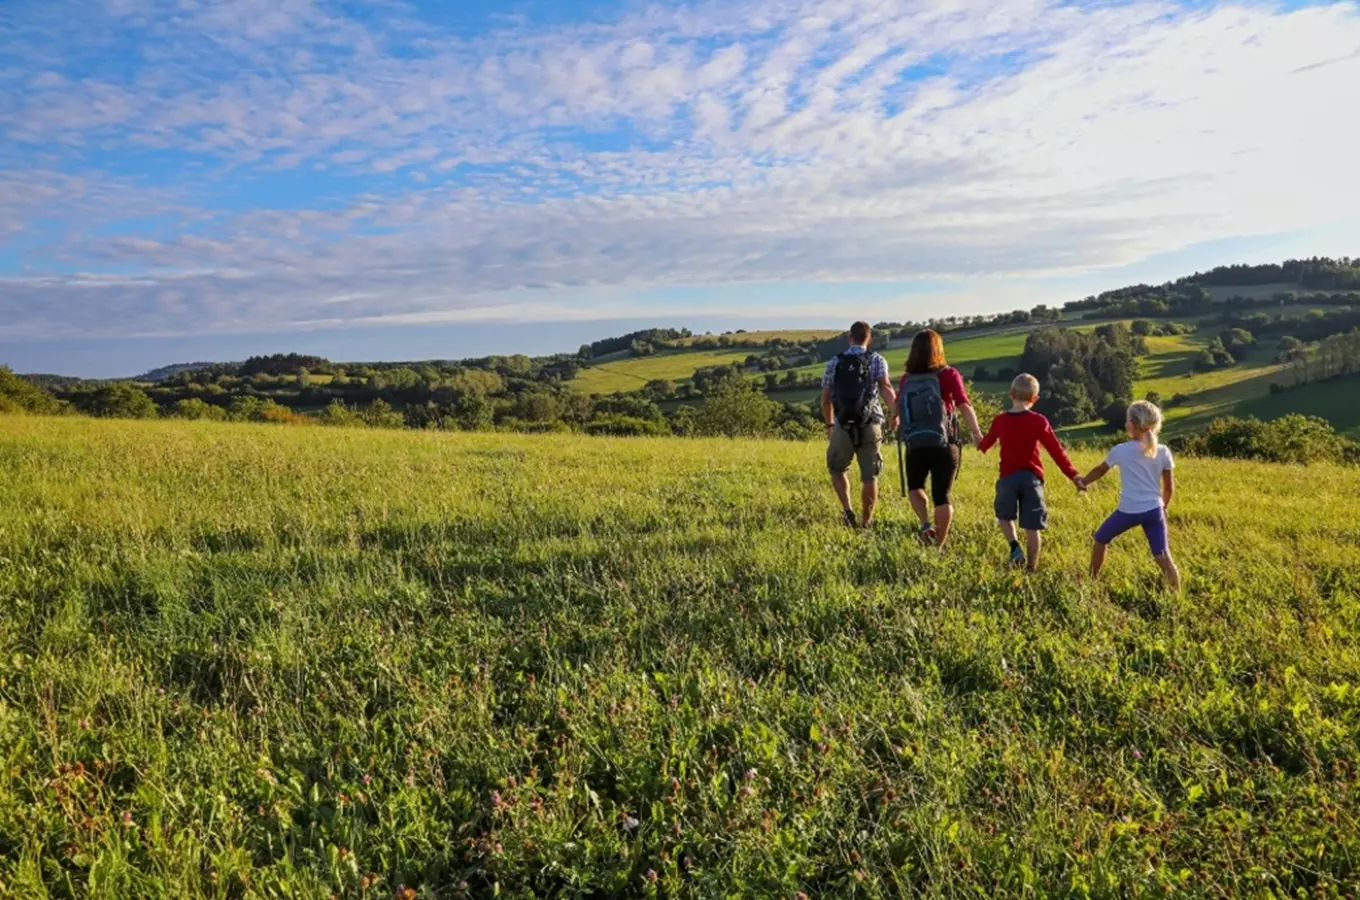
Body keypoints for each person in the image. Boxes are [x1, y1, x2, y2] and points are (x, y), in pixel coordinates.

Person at [976, 373, 1084, 570]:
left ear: (1011, 394)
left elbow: (986, 443)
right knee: (1032, 527)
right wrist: (1073, 474)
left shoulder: (1000, 420)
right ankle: (1031, 568)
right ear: (1035, 399)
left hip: (1007, 478)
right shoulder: (1039, 421)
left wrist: (980, 442)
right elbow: (1056, 450)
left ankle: (1015, 547)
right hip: (1032, 479)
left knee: (1004, 517)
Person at [892, 329, 985, 548]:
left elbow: (896, 407)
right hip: (945, 442)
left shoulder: (907, 378)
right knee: (942, 495)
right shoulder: (949, 374)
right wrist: (977, 433)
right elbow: (964, 404)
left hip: (915, 442)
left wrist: (893, 421)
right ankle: (939, 546)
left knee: (915, 486)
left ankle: (926, 525)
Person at [1080, 400, 1182, 592]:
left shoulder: (1120, 450)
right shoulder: (1163, 451)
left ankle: (1092, 580)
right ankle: (1177, 596)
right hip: (1154, 510)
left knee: (1101, 538)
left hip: (1129, 510)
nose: (1125, 424)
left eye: (1127, 420)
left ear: (1133, 425)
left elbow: (1101, 470)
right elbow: (1168, 488)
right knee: (1163, 556)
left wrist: (1083, 482)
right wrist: (1164, 508)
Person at [822, 321, 897, 528]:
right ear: (869, 339)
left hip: (842, 423)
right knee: (869, 476)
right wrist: (895, 413)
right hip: (871, 423)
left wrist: (830, 425)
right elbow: (886, 388)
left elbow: (826, 399)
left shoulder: (834, 362)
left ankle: (848, 512)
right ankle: (867, 521)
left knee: (837, 469)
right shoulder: (877, 360)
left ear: (850, 338)